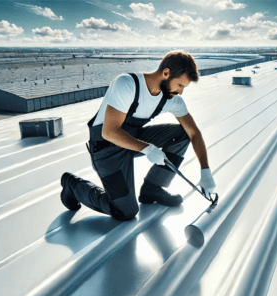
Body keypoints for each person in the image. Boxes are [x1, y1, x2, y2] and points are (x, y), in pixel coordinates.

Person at [60, 51, 216, 221]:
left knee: (182, 134)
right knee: (125, 211)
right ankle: (72, 185)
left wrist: (205, 169)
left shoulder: (172, 99)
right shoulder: (127, 84)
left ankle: (152, 188)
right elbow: (109, 131)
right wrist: (147, 149)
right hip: (107, 148)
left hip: (133, 139)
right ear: (166, 73)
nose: (181, 92)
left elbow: (194, 133)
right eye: (180, 85)